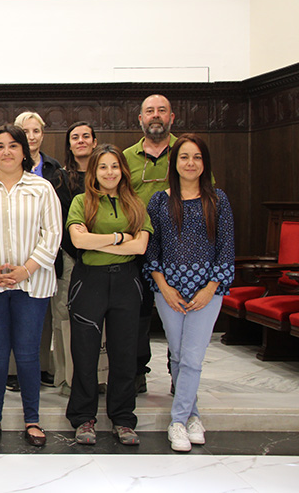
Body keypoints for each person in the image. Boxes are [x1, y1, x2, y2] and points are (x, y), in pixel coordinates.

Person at [0, 124, 62, 446]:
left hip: (32, 284)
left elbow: (53, 234)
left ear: (25, 152)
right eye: (0, 146)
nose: (7, 151)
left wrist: (26, 270)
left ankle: (32, 419)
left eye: (13, 146)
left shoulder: (42, 188)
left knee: (29, 353)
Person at [144, 134, 234, 452]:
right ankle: (193, 415)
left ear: (204, 163)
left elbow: (226, 248)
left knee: (193, 358)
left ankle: (178, 421)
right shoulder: (159, 201)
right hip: (168, 291)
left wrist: (211, 288)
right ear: (174, 162)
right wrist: (164, 287)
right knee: (179, 356)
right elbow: (151, 248)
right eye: (184, 157)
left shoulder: (218, 200)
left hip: (206, 292)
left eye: (197, 157)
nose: (190, 163)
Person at [65, 144, 152, 447]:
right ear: (94, 171)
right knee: (85, 353)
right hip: (89, 283)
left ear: (123, 170)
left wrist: (97, 242)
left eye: (114, 166)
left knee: (125, 354)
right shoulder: (81, 201)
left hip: (126, 284)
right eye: (103, 166)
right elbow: (78, 239)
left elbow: (140, 247)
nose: (109, 172)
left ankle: (123, 418)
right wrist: (118, 238)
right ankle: (83, 418)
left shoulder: (136, 204)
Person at [123, 94, 177, 394]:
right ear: (140, 119)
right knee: (138, 313)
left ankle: (177, 371)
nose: (155, 116)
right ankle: (137, 369)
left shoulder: (186, 151)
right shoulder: (128, 157)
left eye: (161, 111)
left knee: (177, 309)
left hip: (178, 248)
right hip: (139, 246)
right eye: (149, 111)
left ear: (171, 117)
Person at [13, 111, 70, 392]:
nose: (32, 137)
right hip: (14, 253)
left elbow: (60, 216)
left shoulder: (54, 170)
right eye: (26, 131)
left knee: (49, 315)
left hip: (48, 254)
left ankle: (50, 370)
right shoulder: (5, 164)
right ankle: (20, 373)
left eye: (36, 131)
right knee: (19, 315)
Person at [54, 121, 99, 397]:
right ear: (69, 144)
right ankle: (66, 379)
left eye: (86, 136)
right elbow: (58, 221)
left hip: (105, 257)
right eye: (75, 137)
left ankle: (99, 377)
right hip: (70, 257)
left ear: (94, 141)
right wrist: (77, 248)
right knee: (64, 318)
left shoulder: (106, 173)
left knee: (98, 320)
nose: (81, 141)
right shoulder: (60, 177)